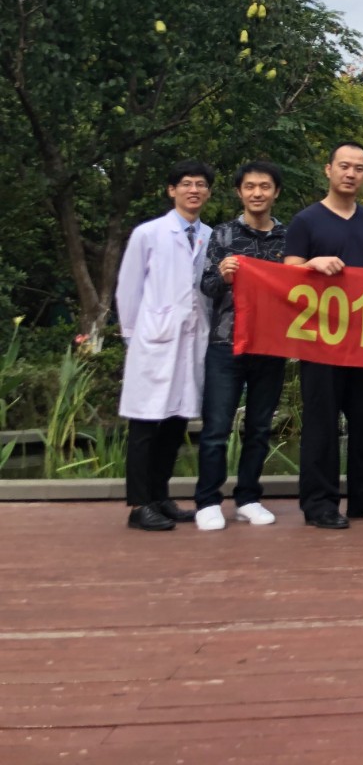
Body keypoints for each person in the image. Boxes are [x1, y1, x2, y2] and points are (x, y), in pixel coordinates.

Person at [283, 142, 363, 530]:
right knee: (321, 423)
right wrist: (312, 264)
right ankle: (319, 502)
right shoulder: (306, 221)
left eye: (359, 168)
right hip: (320, 340)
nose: (351, 174)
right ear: (328, 169)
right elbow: (286, 275)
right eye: (344, 166)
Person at [116, 160, 214, 531]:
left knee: (175, 423)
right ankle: (139, 505)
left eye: (200, 184)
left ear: (208, 192)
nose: (194, 190)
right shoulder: (148, 233)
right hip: (152, 341)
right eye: (186, 183)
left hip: (191, 342)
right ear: (172, 190)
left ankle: (160, 497)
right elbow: (128, 288)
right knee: (144, 425)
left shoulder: (209, 236)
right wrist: (134, 336)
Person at [195, 160, 288, 531]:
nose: (257, 193)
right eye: (250, 186)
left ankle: (248, 498)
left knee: (260, 428)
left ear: (275, 192)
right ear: (239, 192)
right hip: (226, 342)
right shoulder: (222, 234)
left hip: (270, 345)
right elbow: (206, 286)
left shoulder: (288, 239)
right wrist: (222, 275)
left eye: (264, 186)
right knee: (216, 428)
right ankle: (207, 501)